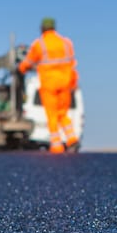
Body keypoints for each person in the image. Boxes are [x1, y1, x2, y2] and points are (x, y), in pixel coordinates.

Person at [17, 17, 80, 154]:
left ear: (42, 28)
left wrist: (21, 69)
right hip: (65, 82)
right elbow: (73, 64)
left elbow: (28, 61)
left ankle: (56, 147)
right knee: (63, 113)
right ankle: (72, 139)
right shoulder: (66, 42)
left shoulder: (40, 44)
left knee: (51, 115)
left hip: (49, 83)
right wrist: (74, 82)